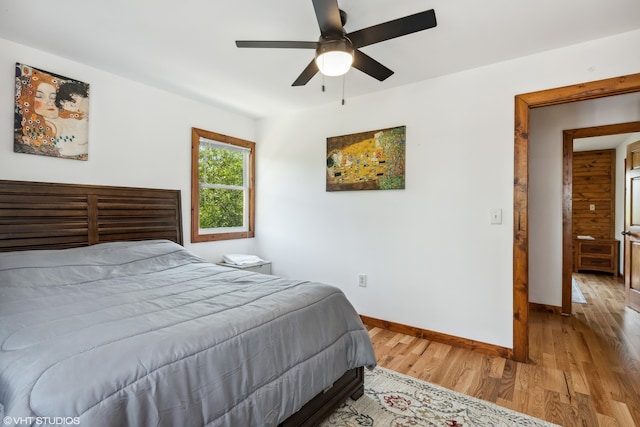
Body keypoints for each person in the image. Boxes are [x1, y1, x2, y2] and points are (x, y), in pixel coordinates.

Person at [52, 81, 89, 157]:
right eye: (74, 100)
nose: (77, 104)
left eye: (80, 101)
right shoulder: (58, 117)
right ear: (62, 101)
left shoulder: (80, 117)